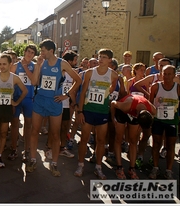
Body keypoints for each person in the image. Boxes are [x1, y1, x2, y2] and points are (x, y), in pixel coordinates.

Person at [26, 39, 82, 177]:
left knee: (55, 134)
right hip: (40, 100)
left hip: (55, 102)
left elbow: (78, 80)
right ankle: (33, 160)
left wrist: (66, 95)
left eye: (43, 50)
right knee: (35, 131)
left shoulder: (62, 63)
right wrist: (38, 66)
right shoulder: (41, 62)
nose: (41, 53)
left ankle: (54, 163)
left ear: (51, 51)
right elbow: (33, 82)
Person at [74, 48, 118, 180]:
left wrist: (106, 94)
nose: (101, 59)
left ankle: (98, 167)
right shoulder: (89, 73)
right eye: (100, 56)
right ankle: (80, 164)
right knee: (84, 140)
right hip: (88, 110)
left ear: (110, 60)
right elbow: (82, 93)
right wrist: (80, 111)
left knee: (100, 141)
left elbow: (113, 87)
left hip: (102, 112)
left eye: (104, 57)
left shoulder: (113, 75)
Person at [110, 94, 156, 179]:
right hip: (122, 112)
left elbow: (154, 114)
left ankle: (132, 168)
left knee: (133, 141)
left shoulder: (151, 109)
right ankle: (119, 167)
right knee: (118, 138)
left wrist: (141, 127)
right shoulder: (127, 105)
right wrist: (113, 118)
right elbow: (113, 103)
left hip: (135, 113)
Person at [149, 65, 180, 180]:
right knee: (156, 143)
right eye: (164, 74)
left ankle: (169, 170)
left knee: (171, 145)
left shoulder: (178, 88)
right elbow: (150, 102)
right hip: (158, 120)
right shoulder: (155, 87)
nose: (166, 76)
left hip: (172, 120)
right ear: (161, 74)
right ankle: (155, 168)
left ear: (174, 75)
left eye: (169, 74)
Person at [9, 44, 37, 162]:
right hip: (16, 98)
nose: (29, 54)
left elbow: (34, 82)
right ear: (24, 52)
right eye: (28, 51)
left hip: (29, 98)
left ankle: (26, 149)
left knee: (28, 125)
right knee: (14, 124)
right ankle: (14, 149)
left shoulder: (35, 66)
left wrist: (26, 68)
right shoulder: (15, 66)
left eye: (32, 53)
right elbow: (10, 83)